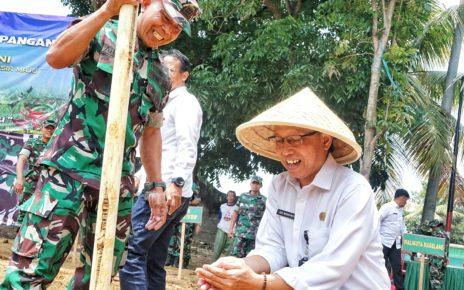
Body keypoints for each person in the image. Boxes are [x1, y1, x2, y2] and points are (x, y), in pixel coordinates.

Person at [0, 1, 199, 289]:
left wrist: (156, 184)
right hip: (67, 173)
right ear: (145, 4)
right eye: (165, 17)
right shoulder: (104, 32)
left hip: (117, 185)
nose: (167, 30)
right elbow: (56, 57)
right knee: (32, 269)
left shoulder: (160, 75)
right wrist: (107, 10)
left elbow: (151, 131)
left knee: (98, 277)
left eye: (177, 27)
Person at [196, 88, 390, 289]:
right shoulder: (280, 186)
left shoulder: (353, 190)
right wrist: (236, 268)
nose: (285, 150)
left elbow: (332, 269)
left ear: (325, 140)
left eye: (295, 139)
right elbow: (273, 247)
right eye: (279, 140)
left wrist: (258, 284)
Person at [120, 48, 203, 289]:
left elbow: (188, 146)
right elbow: (160, 149)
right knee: (153, 259)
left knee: (132, 253)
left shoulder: (186, 103)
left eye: (170, 70)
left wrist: (176, 184)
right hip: (161, 187)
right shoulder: (160, 101)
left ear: (184, 75)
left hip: (164, 191)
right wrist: (138, 175)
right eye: (161, 69)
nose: (164, 74)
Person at [13, 119, 56, 224]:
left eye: (52, 128)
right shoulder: (31, 143)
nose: (49, 130)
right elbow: (21, 159)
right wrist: (19, 179)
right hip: (31, 184)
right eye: (47, 128)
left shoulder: (56, 146)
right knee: (23, 215)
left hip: (48, 187)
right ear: (41, 128)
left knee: (43, 216)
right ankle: (20, 238)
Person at [379, 188, 409, 290]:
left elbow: (402, 228)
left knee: (397, 268)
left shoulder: (401, 211)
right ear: (401, 198)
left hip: (396, 244)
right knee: (380, 266)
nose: (405, 203)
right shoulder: (387, 207)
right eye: (406, 200)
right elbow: (377, 221)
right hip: (383, 242)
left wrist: (408, 237)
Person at [166, 183, 202, 268]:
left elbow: (197, 200)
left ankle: (180, 261)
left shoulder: (194, 185)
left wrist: (185, 202)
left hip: (187, 215)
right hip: (174, 212)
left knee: (184, 239)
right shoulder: (174, 181)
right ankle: (169, 259)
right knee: (171, 237)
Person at [228, 176, 266, 258]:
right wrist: (231, 228)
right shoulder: (242, 196)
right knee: (235, 256)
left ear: (261, 186)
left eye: (257, 183)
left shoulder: (264, 200)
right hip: (240, 233)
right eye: (253, 183)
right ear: (250, 184)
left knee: (249, 258)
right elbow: (235, 213)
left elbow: (266, 218)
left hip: (254, 235)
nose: (255, 185)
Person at [415, 219, 447, 290]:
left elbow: (419, 231)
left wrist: (422, 225)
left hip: (435, 260)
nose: (431, 228)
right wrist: (446, 259)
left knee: (434, 279)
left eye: (432, 227)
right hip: (442, 260)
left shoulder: (434, 234)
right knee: (439, 279)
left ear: (435, 226)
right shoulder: (445, 234)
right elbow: (447, 248)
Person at [212, 190, 237, 262]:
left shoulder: (236, 208)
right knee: (217, 249)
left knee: (229, 250)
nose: (230, 197)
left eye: (232, 196)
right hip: (221, 229)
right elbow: (220, 217)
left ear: (234, 198)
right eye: (229, 196)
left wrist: (232, 229)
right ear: (226, 197)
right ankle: (213, 265)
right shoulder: (222, 206)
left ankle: (226, 267)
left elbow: (237, 219)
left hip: (232, 231)